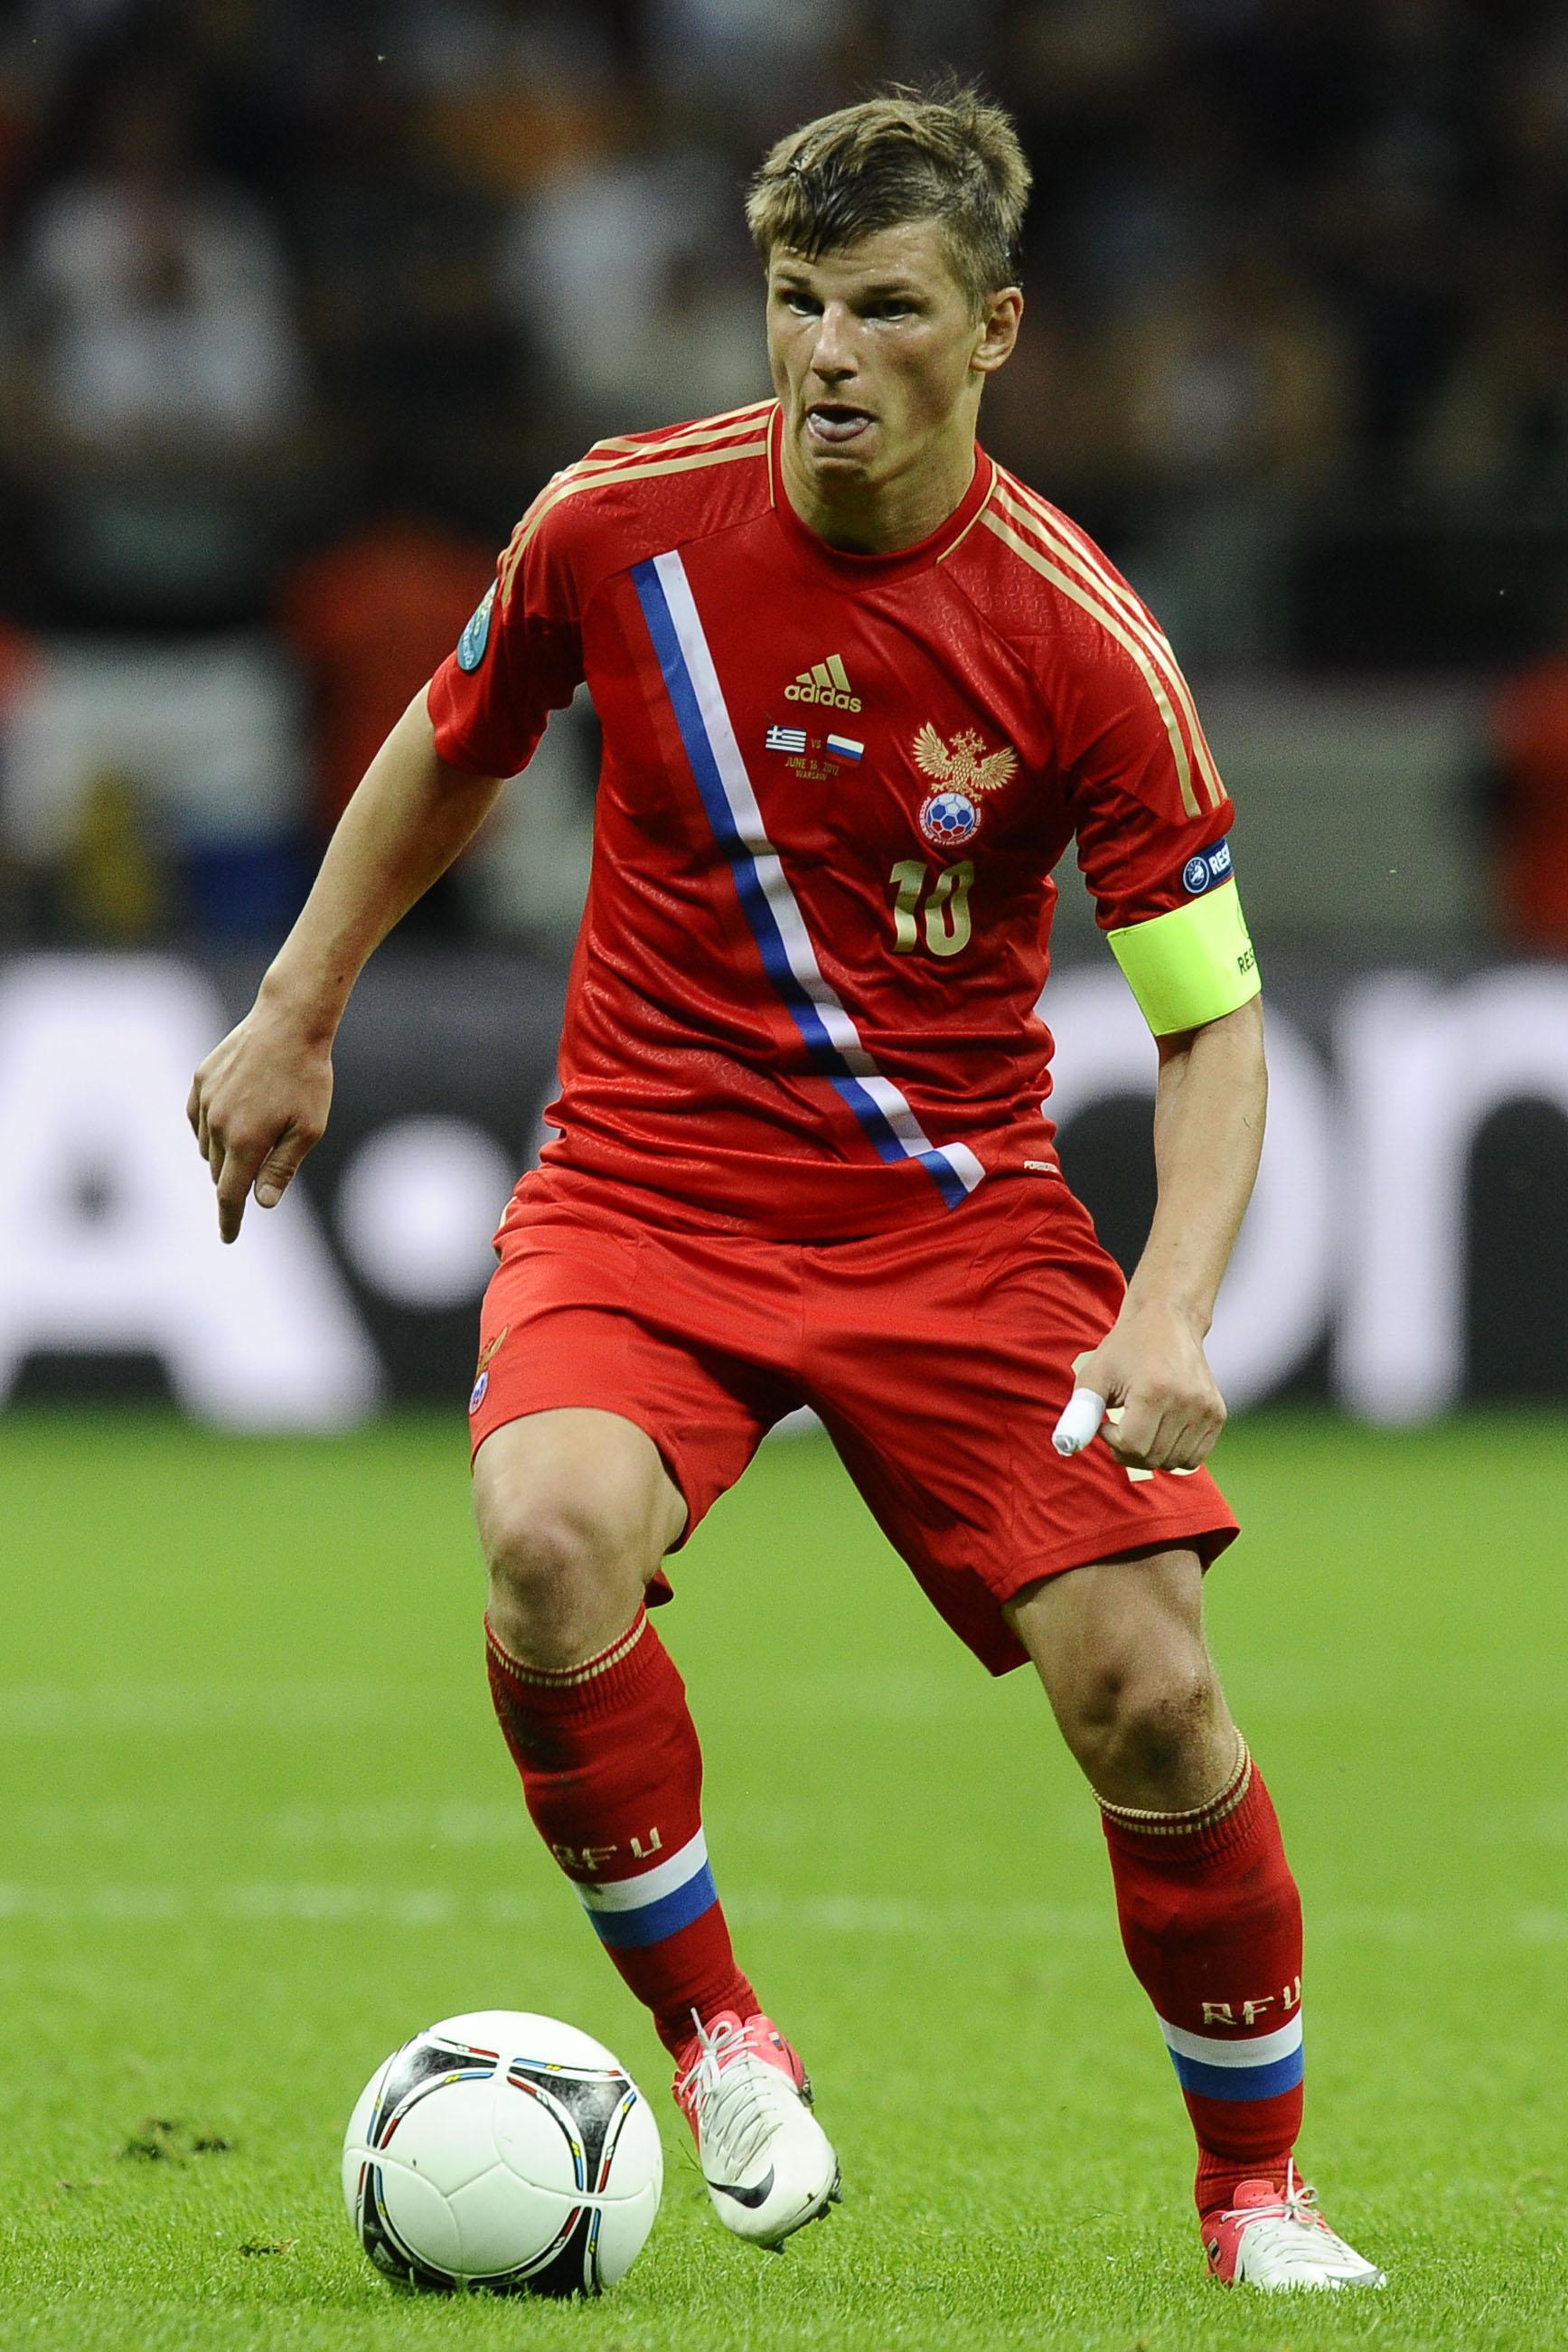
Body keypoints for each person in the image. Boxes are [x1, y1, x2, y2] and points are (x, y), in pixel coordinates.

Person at [188, 87, 1384, 2293]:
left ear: (994, 328)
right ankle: (719, 2037)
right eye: (796, 299)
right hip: (646, 1185)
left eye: (886, 307)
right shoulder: (619, 525)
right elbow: (456, 733)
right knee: (546, 1535)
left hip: (951, 1219)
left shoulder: (1081, 642)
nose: (829, 351)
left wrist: (1168, 1303)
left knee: (1148, 1688)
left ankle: (1258, 2195)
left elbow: (1211, 1025)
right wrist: (296, 1003)